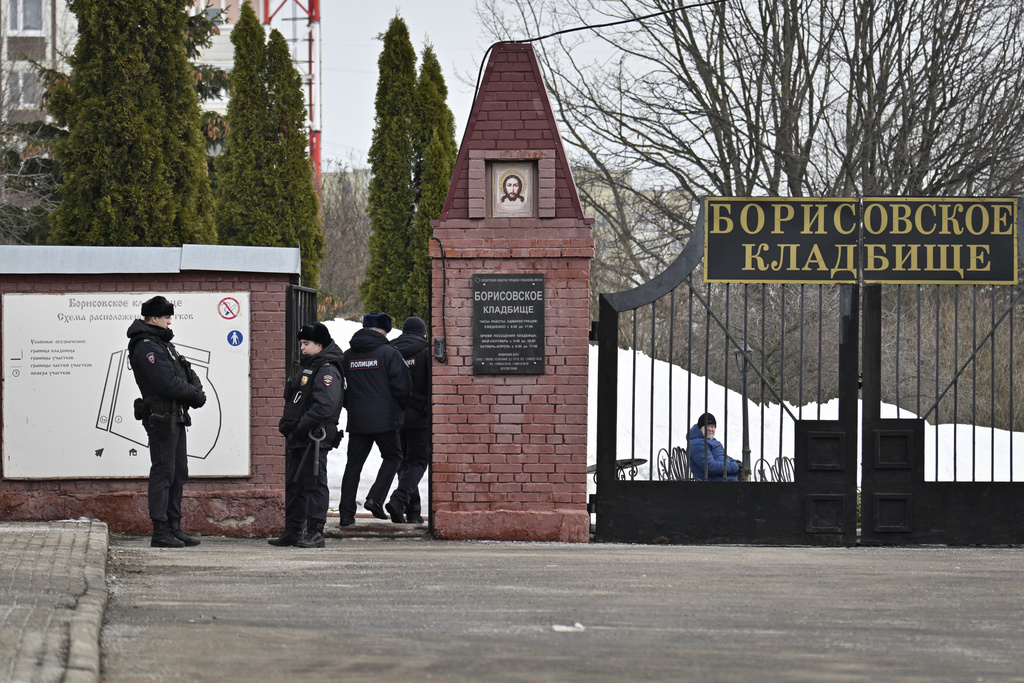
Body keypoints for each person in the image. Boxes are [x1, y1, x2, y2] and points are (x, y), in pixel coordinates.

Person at [127, 295, 207, 548]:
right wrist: (194, 394)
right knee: (164, 472)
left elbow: (186, 371)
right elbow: (166, 382)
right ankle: (159, 531)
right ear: (154, 318)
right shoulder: (146, 346)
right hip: (161, 417)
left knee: (178, 472)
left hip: (176, 415)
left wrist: (195, 390)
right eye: (166, 316)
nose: (170, 321)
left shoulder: (163, 344)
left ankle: (174, 526)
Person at [270, 322, 344, 548]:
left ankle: (315, 531)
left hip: (314, 437)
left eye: (306, 344)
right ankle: (293, 530)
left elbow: (326, 406)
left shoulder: (327, 369)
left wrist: (301, 426)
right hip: (301, 436)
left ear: (319, 345)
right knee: (296, 484)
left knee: (313, 483)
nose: (302, 348)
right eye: (301, 343)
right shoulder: (308, 365)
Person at [338, 313, 411, 526]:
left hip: (358, 419)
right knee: (394, 457)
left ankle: (345, 514)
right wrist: (400, 407)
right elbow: (403, 387)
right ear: (384, 331)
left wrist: (352, 405)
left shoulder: (348, 355)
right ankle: (375, 498)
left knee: (353, 466)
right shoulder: (389, 353)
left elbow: (338, 388)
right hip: (385, 419)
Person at [385, 316, 431, 524]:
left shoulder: (390, 351)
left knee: (404, 462)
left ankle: (413, 512)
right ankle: (399, 499)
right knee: (418, 461)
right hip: (419, 416)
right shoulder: (427, 350)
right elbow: (432, 386)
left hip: (395, 415)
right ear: (423, 332)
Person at [687, 413, 740, 481]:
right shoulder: (697, 444)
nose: (710, 429)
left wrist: (735, 462)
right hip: (713, 485)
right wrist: (734, 467)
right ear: (700, 428)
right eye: (707, 426)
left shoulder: (711, 441)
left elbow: (724, 456)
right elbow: (711, 467)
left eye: (712, 426)